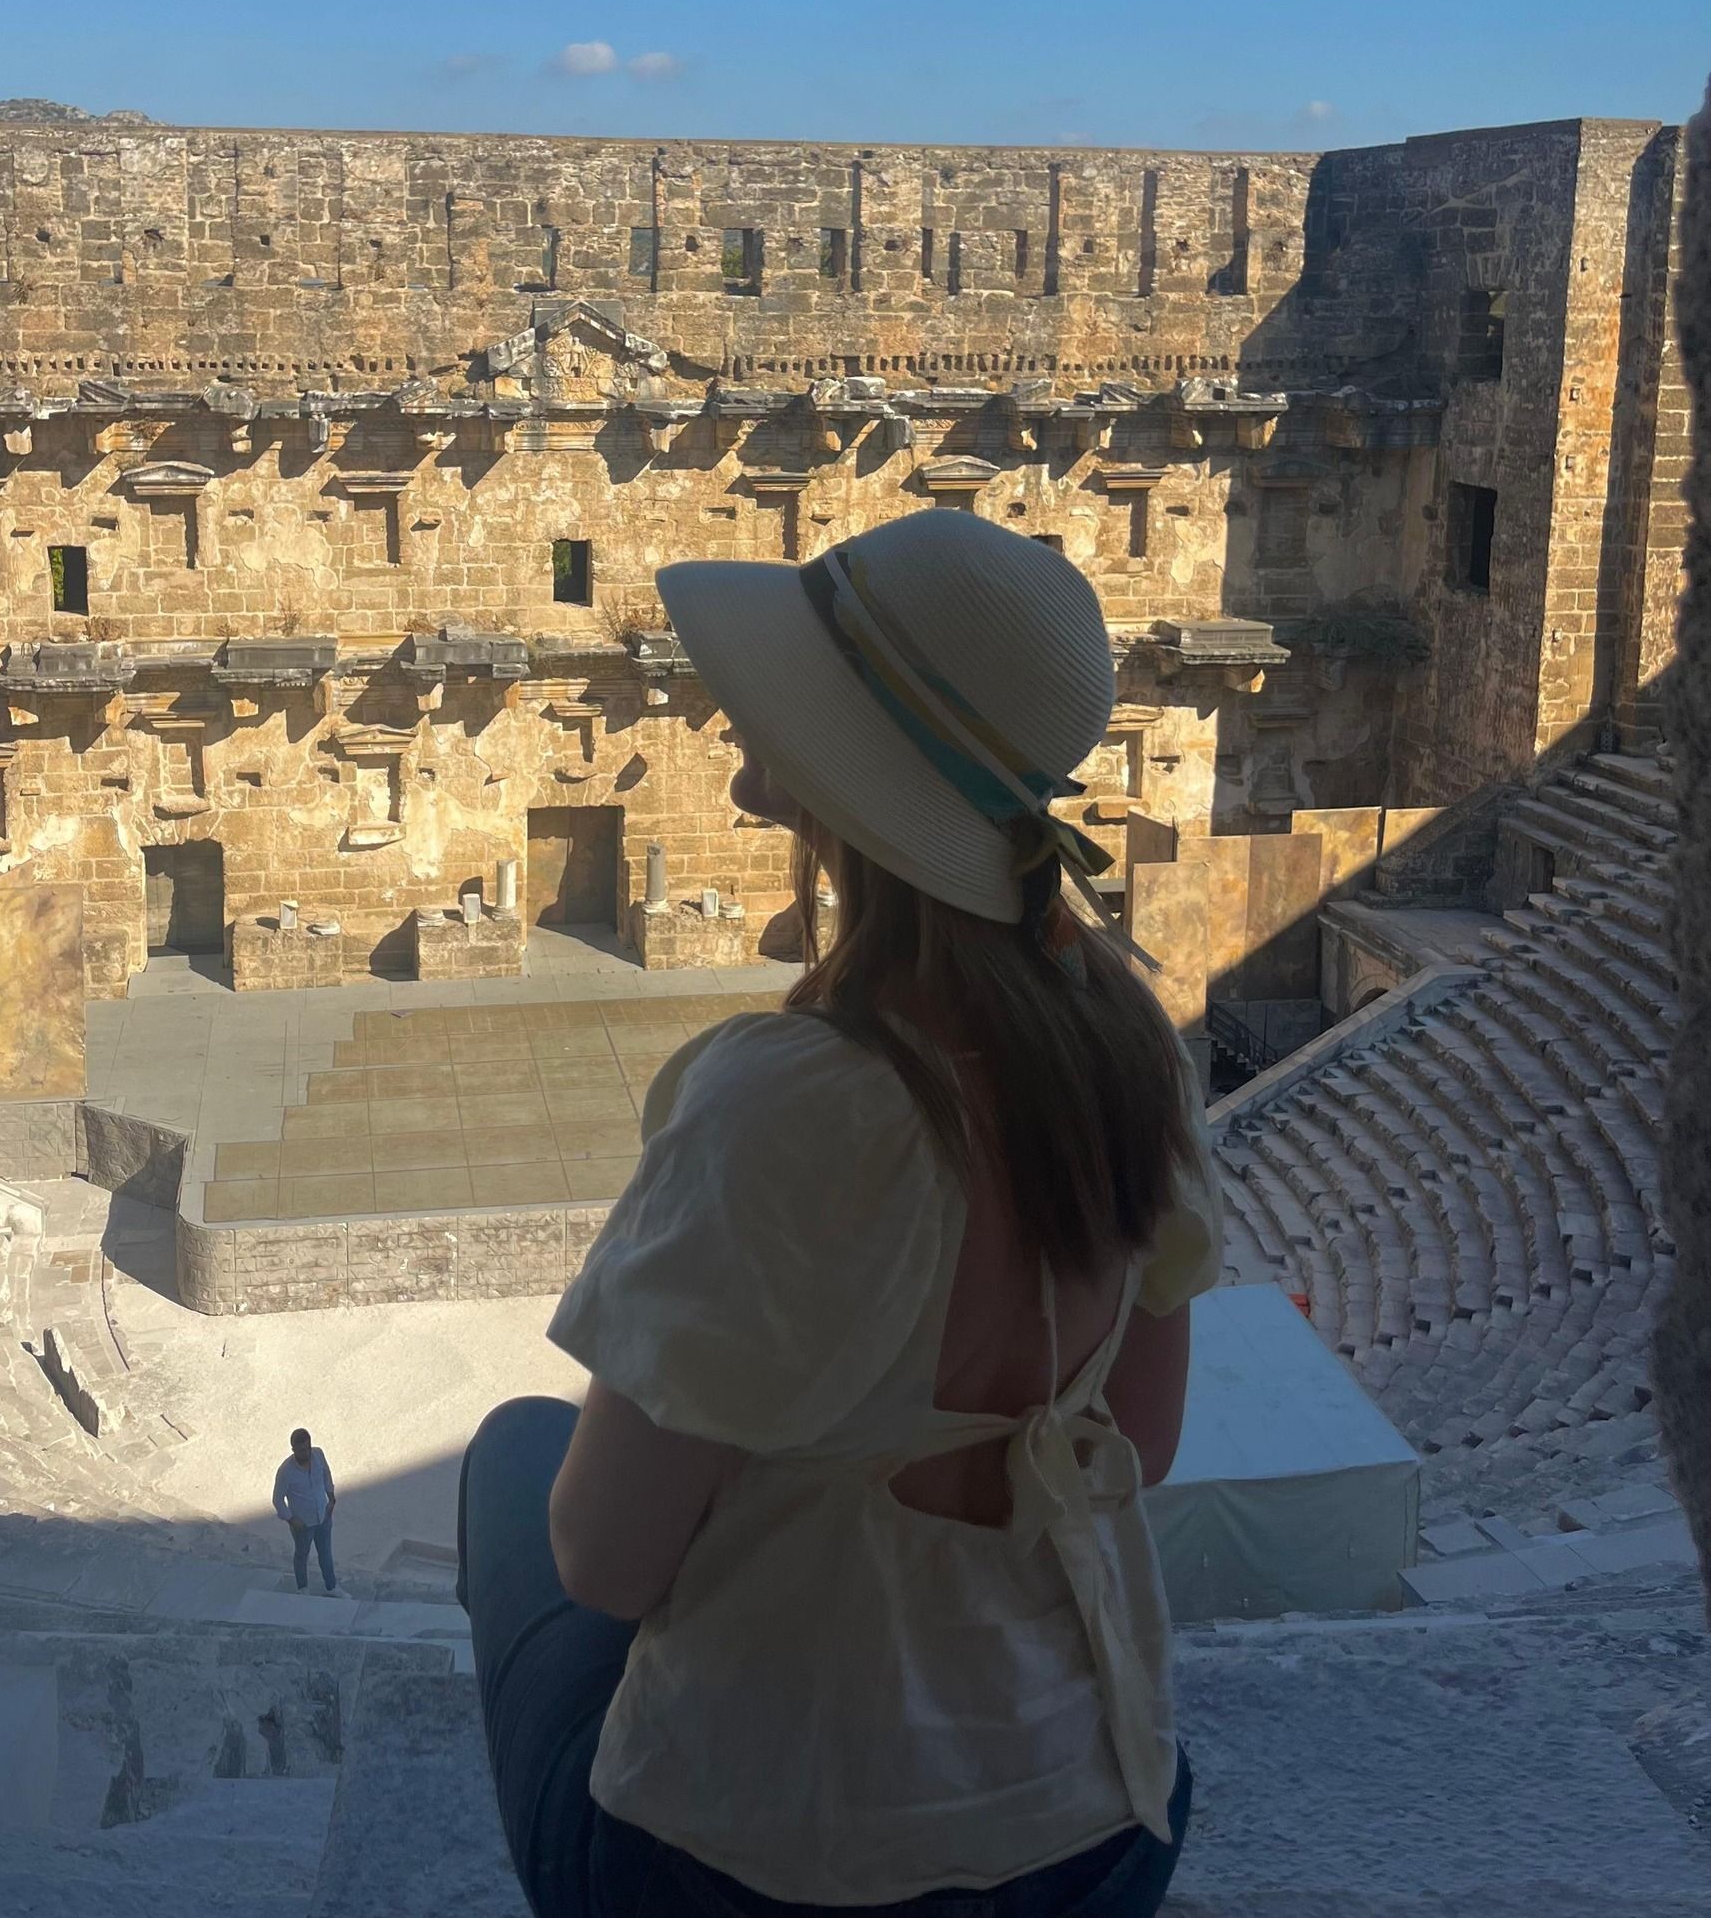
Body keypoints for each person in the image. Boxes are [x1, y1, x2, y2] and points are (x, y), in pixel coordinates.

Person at [458, 508, 1223, 1918]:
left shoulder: (788, 1103)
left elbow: (606, 1560)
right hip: (1100, 1821)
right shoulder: (1137, 1045)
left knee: (512, 1457)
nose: (753, 769)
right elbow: (1146, 1441)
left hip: (772, 1867)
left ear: (844, 785)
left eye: (784, 727)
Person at [272, 1427, 337, 1594]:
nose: (306, 1453)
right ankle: (303, 1588)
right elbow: (277, 1500)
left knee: (326, 1554)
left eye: (308, 1448)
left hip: (322, 1516)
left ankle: (332, 1587)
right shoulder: (286, 1471)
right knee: (302, 1555)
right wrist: (291, 1519)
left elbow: (326, 1474)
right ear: (293, 1449)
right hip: (303, 1523)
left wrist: (331, 1497)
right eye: (302, 1450)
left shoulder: (318, 1455)